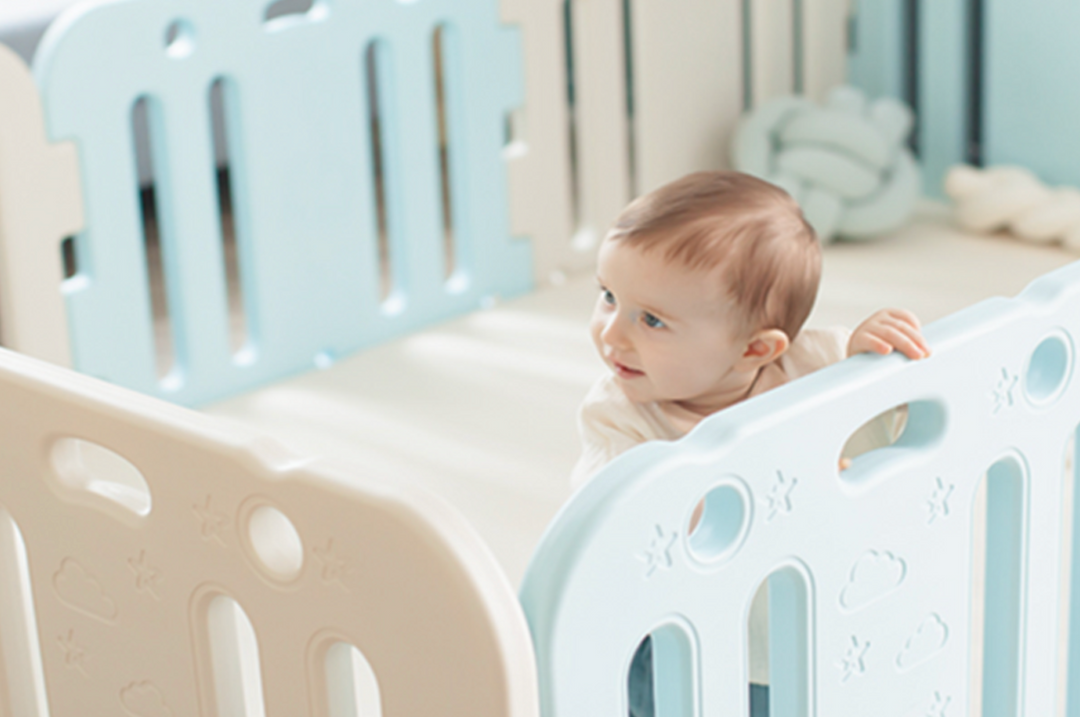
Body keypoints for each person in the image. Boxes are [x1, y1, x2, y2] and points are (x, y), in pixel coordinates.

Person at [570, 171, 930, 717]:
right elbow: (618, 521)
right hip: (678, 643)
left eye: (651, 320)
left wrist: (875, 365)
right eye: (608, 297)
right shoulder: (619, 415)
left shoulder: (815, 368)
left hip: (799, 628)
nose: (612, 333)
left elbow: (898, 422)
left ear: (755, 349)